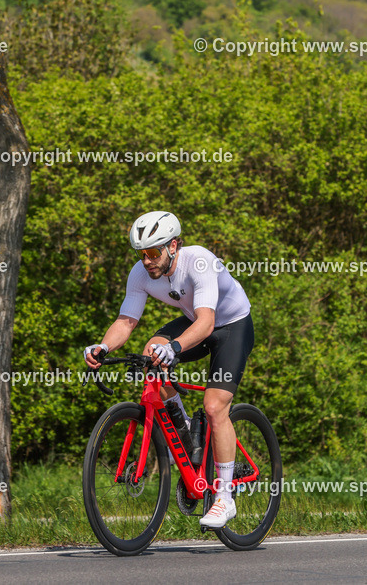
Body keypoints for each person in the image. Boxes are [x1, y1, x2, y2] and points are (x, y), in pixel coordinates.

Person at [84, 211, 254, 528]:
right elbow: (126, 321)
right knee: (151, 354)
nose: (147, 261)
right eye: (142, 254)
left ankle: (225, 497)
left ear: (173, 246)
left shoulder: (198, 261)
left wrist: (174, 347)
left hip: (231, 325)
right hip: (196, 321)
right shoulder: (140, 274)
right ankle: (188, 431)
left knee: (215, 405)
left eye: (153, 252)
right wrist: (103, 347)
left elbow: (207, 323)